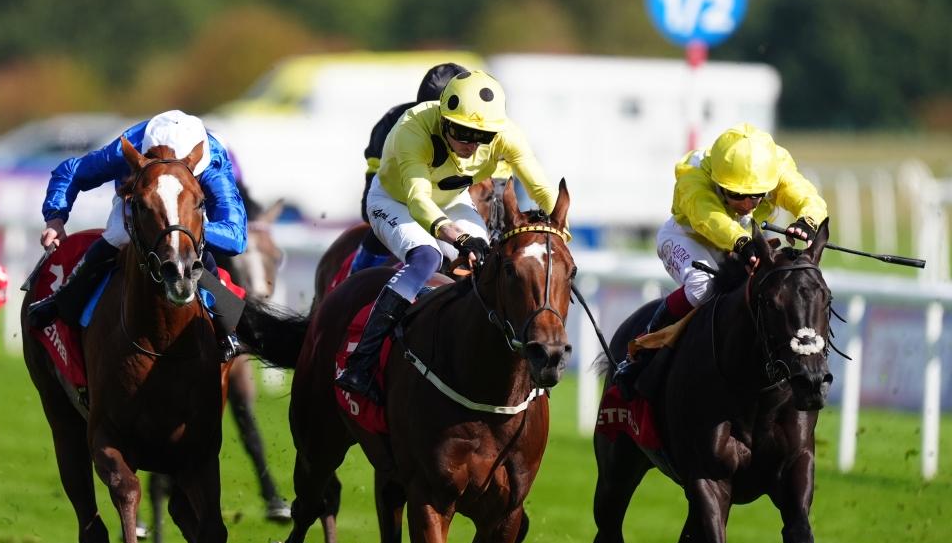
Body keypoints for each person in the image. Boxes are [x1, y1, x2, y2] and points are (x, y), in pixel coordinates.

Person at [335, 69, 566, 402]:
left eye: (481, 136)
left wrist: (561, 234)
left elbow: (543, 190)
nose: (471, 145)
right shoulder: (413, 127)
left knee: (489, 261)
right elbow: (418, 201)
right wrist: (459, 238)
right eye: (461, 132)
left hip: (451, 201)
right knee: (427, 257)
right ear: (443, 120)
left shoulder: (507, 135)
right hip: (395, 201)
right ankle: (361, 361)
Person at [611, 122, 829, 399]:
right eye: (736, 194)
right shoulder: (693, 175)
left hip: (742, 244)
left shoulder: (775, 166)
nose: (747, 204)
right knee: (701, 287)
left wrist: (807, 221)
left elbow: (808, 198)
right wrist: (741, 242)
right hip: (688, 238)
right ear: (717, 181)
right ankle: (642, 352)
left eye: (756, 195)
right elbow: (708, 218)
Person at [26, 110, 248, 362]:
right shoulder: (129, 145)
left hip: (187, 213)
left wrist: (181, 227)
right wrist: (55, 217)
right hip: (143, 204)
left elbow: (236, 237)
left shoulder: (213, 160)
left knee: (190, 246)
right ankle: (63, 301)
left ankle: (226, 327)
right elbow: (71, 172)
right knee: (117, 234)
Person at [345, 62, 469, 276]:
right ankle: (352, 279)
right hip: (402, 200)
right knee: (377, 233)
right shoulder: (395, 122)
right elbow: (375, 179)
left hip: (445, 202)